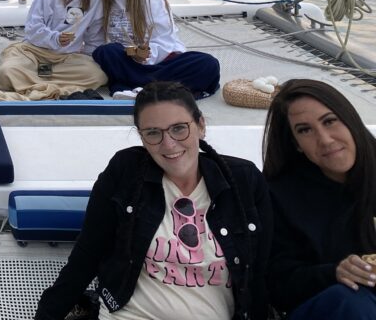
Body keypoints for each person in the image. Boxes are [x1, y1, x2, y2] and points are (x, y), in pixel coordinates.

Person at [36, 81, 271, 320]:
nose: (168, 144)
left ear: (201, 126)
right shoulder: (126, 172)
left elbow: (261, 273)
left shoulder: (244, 181)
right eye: (153, 133)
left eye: (179, 129)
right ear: (142, 137)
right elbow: (87, 254)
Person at [262, 79, 376, 319]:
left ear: (350, 119)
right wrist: (335, 273)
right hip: (333, 307)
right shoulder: (279, 196)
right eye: (305, 130)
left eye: (329, 121)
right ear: (296, 144)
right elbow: (276, 283)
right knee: (351, 302)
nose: (325, 139)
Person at [93, 0, 220, 98]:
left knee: (208, 63)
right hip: (125, 61)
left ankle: (135, 86)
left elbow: (166, 39)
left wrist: (146, 54)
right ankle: (160, 88)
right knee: (106, 51)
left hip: (158, 63)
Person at [0, 0, 107, 99]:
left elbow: (94, 35)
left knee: (98, 75)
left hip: (67, 58)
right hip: (34, 52)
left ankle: (36, 81)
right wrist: (55, 38)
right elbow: (32, 29)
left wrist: (88, 59)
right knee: (7, 71)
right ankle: (51, 84)